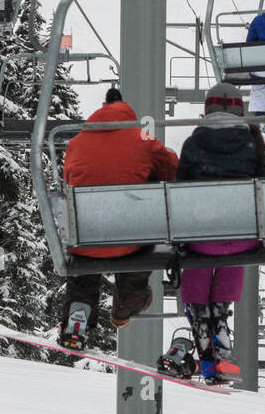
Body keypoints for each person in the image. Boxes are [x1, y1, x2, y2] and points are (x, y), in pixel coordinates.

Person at [59, 92, 178, 348]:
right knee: (136, 261)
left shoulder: (77, 142)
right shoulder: (143, 137)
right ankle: (124, 308)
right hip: (130, 236)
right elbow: (170, 169)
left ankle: (77, 321)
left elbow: (69, 178)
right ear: (127, 112)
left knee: (83, 275)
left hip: (86, 235)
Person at [170, 83, 265, 381]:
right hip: (243, 237)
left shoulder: (193, 143)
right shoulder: (252, 143)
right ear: (240, 110)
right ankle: (220, 314)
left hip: (202, 238)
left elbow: (181, 189)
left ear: (207, 110)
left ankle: (200, 313)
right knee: (234, 243)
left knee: (201, 245)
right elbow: (262, 184)